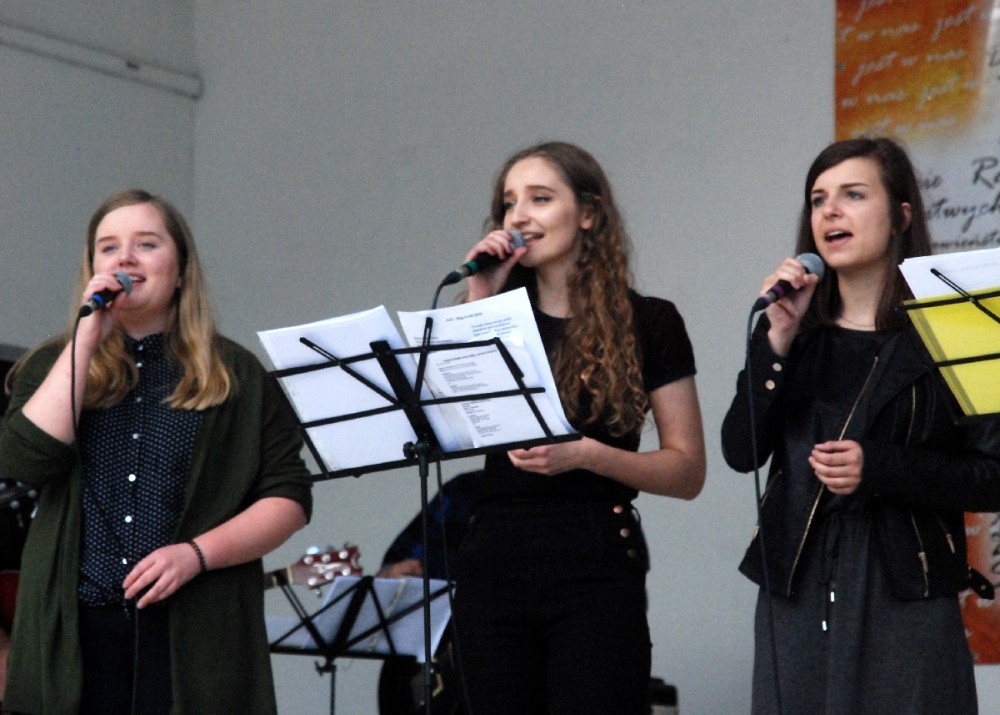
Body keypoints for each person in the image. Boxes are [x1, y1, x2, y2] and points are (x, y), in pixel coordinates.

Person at [0, 189, 313, 714]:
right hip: (74, 631)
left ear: (182, 270)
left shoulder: (236, 373)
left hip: (195, 632)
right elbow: (28, 460)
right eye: (108, 247)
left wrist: (195, 555)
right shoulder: (53, 364)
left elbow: (289, 498)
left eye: (146, 244)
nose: (125, 258)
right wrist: (85, 341)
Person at [721, 137, 1000, 714]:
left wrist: (880, 467)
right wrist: (775, 341)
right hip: (797, 583)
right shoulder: (793, 332)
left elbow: (993, 476)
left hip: (906, 584)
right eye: (818, 199)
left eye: (852, 195)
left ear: (901, 215)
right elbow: (740, 451)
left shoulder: (961, 328)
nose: (830, 211)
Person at [451, 141, 706, 714]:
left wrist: (586, 454)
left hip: (593, 558)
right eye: (509, 203)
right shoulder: (494, 313)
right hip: (495, 554)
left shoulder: (651, 321)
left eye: (540, 199)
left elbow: (687, 471)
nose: (519, 216)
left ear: (588, 213)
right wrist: (480, 296)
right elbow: (457, 422)